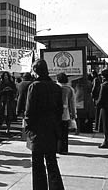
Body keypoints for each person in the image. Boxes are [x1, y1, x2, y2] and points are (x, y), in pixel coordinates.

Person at [25, 59, 65, 190]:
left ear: (35, 71)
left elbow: (29, 110)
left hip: (37, 129)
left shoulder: (34, 86)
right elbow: (60, 109)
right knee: (52, 162)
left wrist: (28, 127)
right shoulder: (56, 87)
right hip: (52, 128)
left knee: (37, 165)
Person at [56, 72, 76, 154]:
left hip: (55, 113)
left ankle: (57, 148)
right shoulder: (70, 89)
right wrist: (74, 114)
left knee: (56, 132)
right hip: (65, 113)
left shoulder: (55, 88)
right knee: (64, 133)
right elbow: (72, 103)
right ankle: (64, 149)